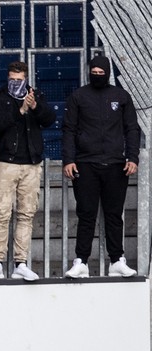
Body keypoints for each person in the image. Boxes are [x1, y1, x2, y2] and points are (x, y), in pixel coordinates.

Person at [63, 56, 142, 280]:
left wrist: (132, 157)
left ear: (107, 73)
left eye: (101, 72)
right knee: (86, 214)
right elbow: (68, 129)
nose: (97, 75)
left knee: (114, 215)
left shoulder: (121, 96)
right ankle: (81, 262)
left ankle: (117, 260)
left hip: (116, 165)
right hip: (85, 164)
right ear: (89, 72)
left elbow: (132, 129)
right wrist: (69, 159)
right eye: (94, 72)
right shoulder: (78, 96)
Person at [0, 60, 58, 282]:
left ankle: (21, 263)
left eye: (19, 80)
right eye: (12, 79)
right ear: (7, 78)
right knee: (2, 214)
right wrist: (21, 110)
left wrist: (35, 106)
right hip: (6, 162)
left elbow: (50, 120)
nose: (16, 83)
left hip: (31, 163)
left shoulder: (36, 95)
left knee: (26, 214)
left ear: (26, 79)